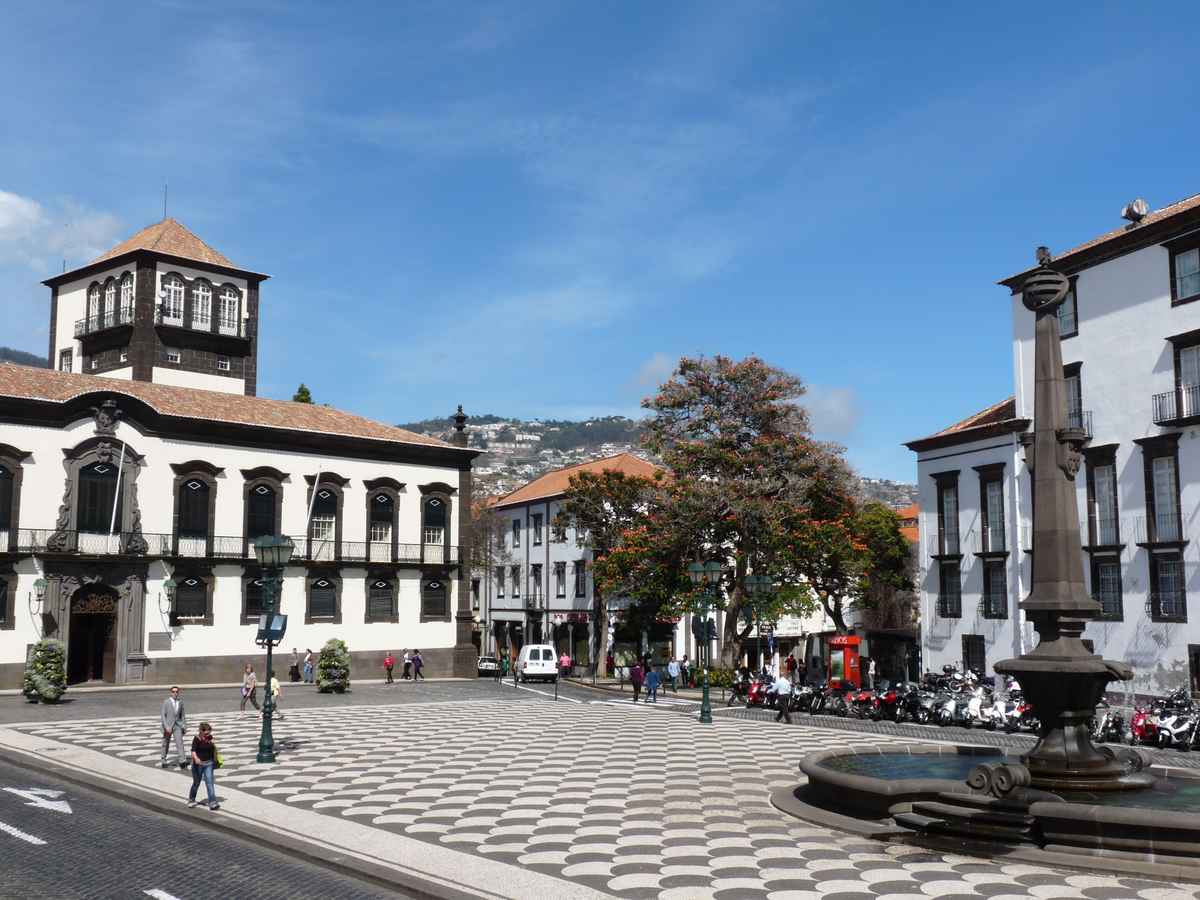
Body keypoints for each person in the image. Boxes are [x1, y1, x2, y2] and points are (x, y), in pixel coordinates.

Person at [187, 722, 220, 811]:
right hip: (198, 764)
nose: (208, 734)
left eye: (209, 732)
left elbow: (213, 750)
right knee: (196, 783)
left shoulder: (210, 738)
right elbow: (193, 751)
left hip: (209, 763)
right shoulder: (196, 739)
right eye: (206, 733)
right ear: (201, 731)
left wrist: (213, 743)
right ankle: (191, 799)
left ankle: (212, 803)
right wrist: (196, 758)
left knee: (209, 782)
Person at [159, 686, 188, 769]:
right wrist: (166, 726)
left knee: (180, 743)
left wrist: (184, 725)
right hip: (168, 726)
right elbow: (163, 715)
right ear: (171, 692)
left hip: (177, 725)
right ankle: (163, 760)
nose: (175, 693)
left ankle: (182, 761)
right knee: (165, 743)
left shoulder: (180, 702)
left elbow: (183, 715)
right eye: (173, 691)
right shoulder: (166, 702)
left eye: (176, 692)